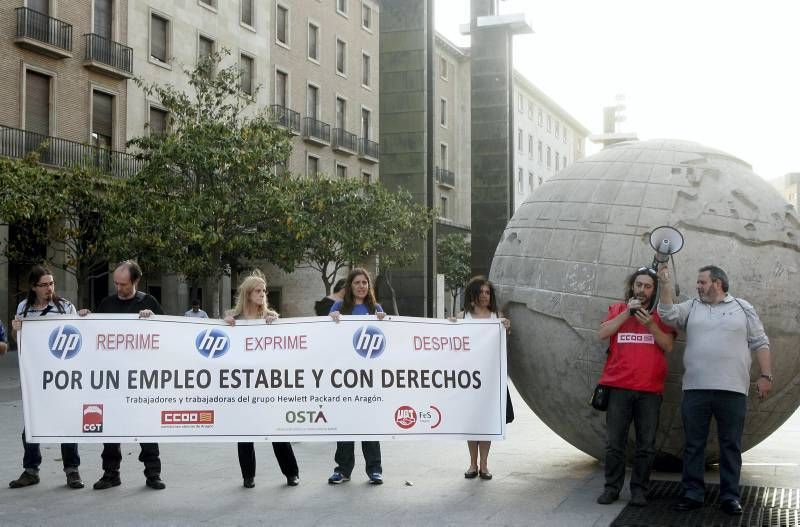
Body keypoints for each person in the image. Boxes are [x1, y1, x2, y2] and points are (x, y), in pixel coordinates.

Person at [658, 265, 772, 516]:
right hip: (696, 389)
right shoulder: (692, 307)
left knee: (730, 445)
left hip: (732, 391)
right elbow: (666, 314)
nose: (697, 286)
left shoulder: (743, 307)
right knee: (693, 445)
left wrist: (766, 375)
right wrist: (665, 285)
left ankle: (730, 497)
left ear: (717, 283)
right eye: (698, 282)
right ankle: (692, 494)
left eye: (701, 282)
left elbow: (760, 341)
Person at [78, 260, 166, 490]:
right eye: (116, 283)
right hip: (112, 379)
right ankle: (110, 473)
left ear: (135, 281)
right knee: (111, 427)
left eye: (123, 284)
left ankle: (153, 474)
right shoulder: (107, 303)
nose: (119, 288)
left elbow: (167, 335)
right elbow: (94, 336)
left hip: (141, 379)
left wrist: (154, 320)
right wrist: (85, 319)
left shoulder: (149, 303)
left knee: (146, 428)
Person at [595, 267, 676, 507]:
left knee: (646, 445)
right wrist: (627, 314)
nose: (642, 290)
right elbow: (603, 332)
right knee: (614, 444)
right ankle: (611, 489)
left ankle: (639, 490)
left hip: (650, 391)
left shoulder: (662, 314)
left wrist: (651, 325)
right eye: (638, 285)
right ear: (632, 286)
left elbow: (669, 345)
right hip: (619, 387)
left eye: (647, 286)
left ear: (654, 289)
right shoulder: (618, 309)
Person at [7, 265, 83, 489]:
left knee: (66, 425)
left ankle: (72, 471)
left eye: (51, 283)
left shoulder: (65, 307)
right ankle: (31, 470)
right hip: (35, 374)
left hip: (62, 374)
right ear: (33, 287)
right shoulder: (24, 307)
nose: (49, 288)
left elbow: (78, 336)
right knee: (32, 424)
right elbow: (17, 339)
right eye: (44, 285)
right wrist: (15, 329)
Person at [224, 271, 300, 489]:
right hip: (242, 386)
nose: (263, 294)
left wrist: (275, 324)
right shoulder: (233, 320)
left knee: (277, 431)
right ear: (248, 294)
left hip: (267, 385)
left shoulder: (270, 319)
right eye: (258, 290)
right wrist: (223, 325)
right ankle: (248, 476)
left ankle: (291, 473)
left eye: (264, 290)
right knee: (245, 432)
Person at [327, 268, 387, 485]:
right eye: (357, 283)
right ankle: (342, 470)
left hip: (369, 378)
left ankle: (374, 469)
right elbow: (327, 338)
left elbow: (384, 341)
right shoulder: (339, 308)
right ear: (350, 287)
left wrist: (383, 321)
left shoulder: (376, 309)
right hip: (345, 377)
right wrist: (331, 320)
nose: (361, 286)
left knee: (369, 424)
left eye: (365, 283)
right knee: (345, 423)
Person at [450, 276, 511, 481]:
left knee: (486, 421)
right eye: (481, 292)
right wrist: (450, 327)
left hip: (490, 379)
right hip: (468, 380)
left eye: (488, 292)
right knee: (472, 422)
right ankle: (472, 463)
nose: (485, 296)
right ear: (473, 295)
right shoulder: (463, 316)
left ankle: (484, 464)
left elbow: (503, 342)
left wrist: (506, 327)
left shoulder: (497, 316)